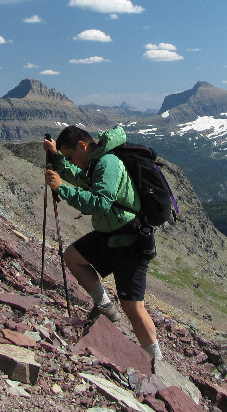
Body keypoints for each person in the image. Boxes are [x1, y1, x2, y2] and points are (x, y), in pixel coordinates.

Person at [43, 125, 163, 362]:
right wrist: (57, 157)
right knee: (73, 256)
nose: (72, 162)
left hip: (130, 240)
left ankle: (156, 363)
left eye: (70, 156)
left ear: (82, 146)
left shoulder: (108, 163)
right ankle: (105, 306)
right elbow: (78, 176)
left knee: (133, 306)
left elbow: (100, 203)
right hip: (110, 235)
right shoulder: (93, 162)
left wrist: (62, 190)